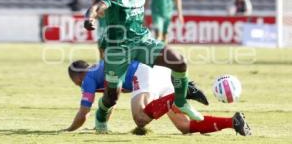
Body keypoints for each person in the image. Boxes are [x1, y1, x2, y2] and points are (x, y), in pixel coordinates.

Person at [84, 0, 206, 133]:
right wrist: (89, 19)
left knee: (179, 62)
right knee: (112, 97)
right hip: (118, 49)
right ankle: (101, 118)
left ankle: (180, 102)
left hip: (142, 40)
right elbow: (96, 6)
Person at [63, 60, 251, 136]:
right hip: (160, 71)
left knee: (141, 119)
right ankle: (233, 122)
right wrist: (101, 126)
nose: (80, 86)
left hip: (143, 73)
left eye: (76, 83)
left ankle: (183, 92)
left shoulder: (87, 78)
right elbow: (109, 102)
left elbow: (84, 112)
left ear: (77, 77)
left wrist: (68, 130)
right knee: (184, 126)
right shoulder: (100, 70)